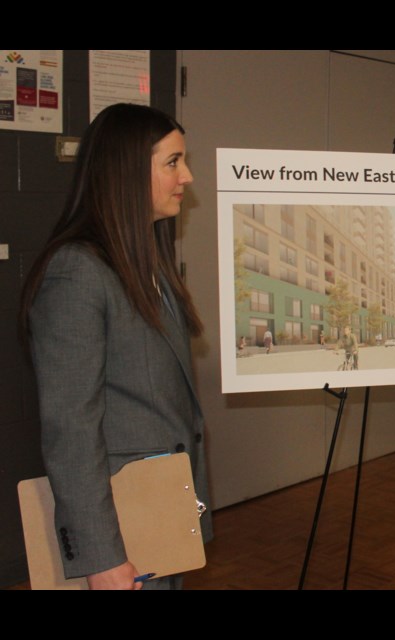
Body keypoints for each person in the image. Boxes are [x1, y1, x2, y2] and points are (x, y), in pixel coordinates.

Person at [19, 103, 211, 590]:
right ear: (126, 170)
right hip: (121, 530)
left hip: (162, 514)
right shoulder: (78, 272)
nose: (186, 177)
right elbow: (71, 430)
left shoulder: (148, 261)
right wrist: (101, 557)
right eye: (173, 162)